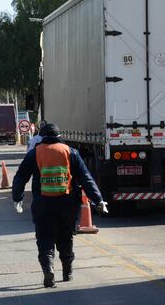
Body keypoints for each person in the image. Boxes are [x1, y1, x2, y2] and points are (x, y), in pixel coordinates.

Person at [12, 122, 108, 288]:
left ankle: (48, 267)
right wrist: (98, 200)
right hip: (67, 204)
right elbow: (86, 178)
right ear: (59, 137)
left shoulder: (34, 153)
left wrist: (17, 198)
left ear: (42, 137)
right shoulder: (71, 152)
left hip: (42, 204)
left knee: (44, 238)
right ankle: (67, 271)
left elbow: (20, 177)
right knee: (66, 237)